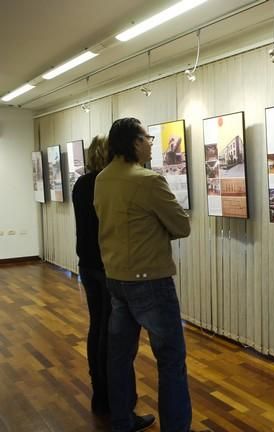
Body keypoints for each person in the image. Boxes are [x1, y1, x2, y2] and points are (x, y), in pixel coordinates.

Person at [94, 117, 192, 432]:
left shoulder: (102, 179)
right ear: (135, 142)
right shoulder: (147, 180)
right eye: (148, 137)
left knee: (120, 357)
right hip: (150, 282)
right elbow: (181, 226)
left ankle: (121, 421)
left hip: (116, 280)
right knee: (171, 361)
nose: (152, 143)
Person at [72, 135, 111, 417]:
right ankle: (110, 397)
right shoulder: (107, 183)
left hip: (86, 263)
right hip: (107, 265)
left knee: (96, 326)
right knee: (111, 333)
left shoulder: (81, 183)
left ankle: (99, 393)